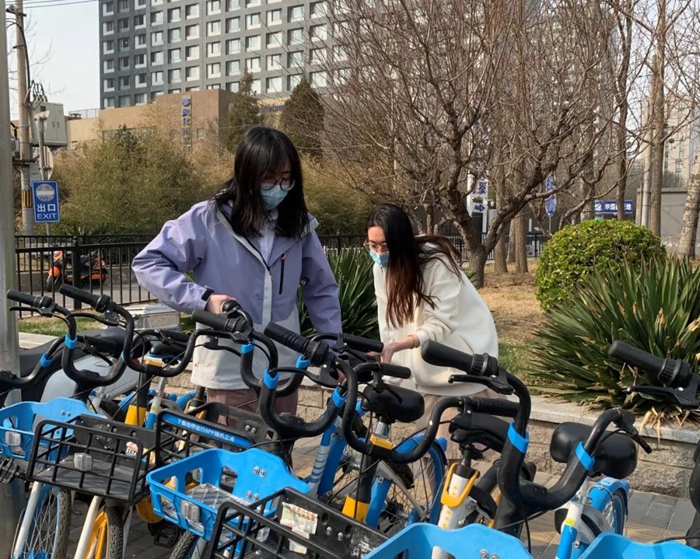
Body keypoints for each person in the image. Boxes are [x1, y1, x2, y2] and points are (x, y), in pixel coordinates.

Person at [132, 126, 342, 414]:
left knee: (279, 442)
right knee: (232, 443)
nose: (278, 188)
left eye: (286, 179)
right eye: (269, 179)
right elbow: (149, 263)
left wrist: (332, 349)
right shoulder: (209, 219)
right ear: (247, 175)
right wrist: (204, 300)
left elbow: (322, 288)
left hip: (283, 368)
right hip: (228, 365)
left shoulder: (299, 225)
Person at [366, 204, 498, 459]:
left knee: (455, 460)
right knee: (428, 457)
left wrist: (401, 344)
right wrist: (389, 368)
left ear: (401, 241)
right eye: (373, 245)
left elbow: (441, 323)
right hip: (426, 376)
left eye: (385, 246)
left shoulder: (436, 262)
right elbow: (388, 323)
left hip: (460, 365)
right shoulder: (380, 269)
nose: (379, 253)